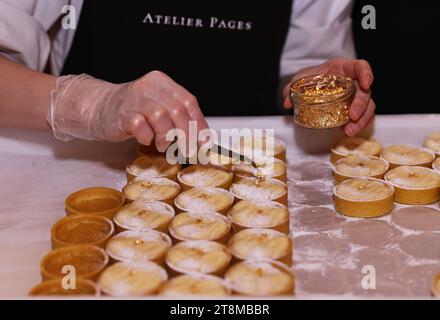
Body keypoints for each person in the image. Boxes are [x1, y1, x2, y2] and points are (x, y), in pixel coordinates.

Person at [0, 0, 375, 152]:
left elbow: (297, 64)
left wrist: (311, 85)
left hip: (241, 160)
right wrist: (92, 105)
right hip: (84, 163)